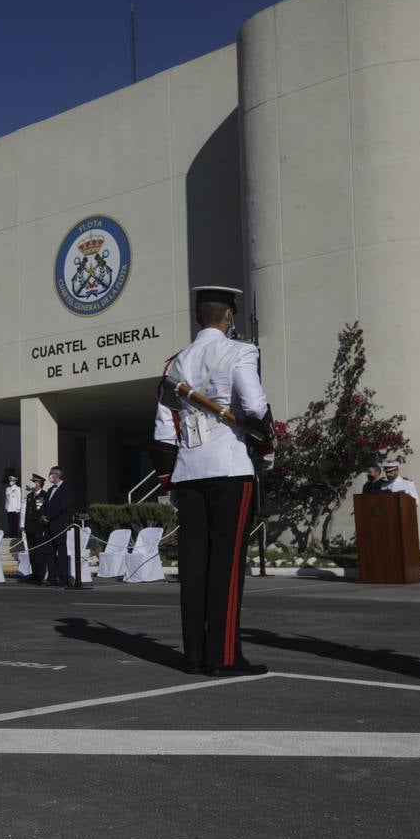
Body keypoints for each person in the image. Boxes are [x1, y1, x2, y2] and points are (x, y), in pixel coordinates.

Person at [151, 285, 273, 677]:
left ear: (200, 316)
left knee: (194, 566)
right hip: (229, 468)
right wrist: (268, 446)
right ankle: (224, 657)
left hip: (189, 472)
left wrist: (170, 480)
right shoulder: (240, 351)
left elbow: (163, 431)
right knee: (227, 564)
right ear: (227, 316)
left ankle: (195, 655)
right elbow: (254, 407)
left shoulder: (174, 365)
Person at [42, 466, 72, 587]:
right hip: (48, 526)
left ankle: (63, 578)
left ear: (57, 475)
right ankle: (52, 578)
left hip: (59, 525)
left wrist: (49, 517)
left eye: (52, 474)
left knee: (61, 552)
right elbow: (44, 505)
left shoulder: (66, 489)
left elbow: (62, 507)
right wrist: (43, 516)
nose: (50, 476)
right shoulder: (50, 490)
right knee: (49, 552)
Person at [22, 474, 48, 585]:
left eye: (35, 481)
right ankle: (35, 574)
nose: (33, 483)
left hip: (39, 528)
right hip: (29, 528)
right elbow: (27, 512)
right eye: (33, 481)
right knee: (32, 552)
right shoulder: (29, 496)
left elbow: (44, 511)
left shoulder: (44, 495)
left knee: (40, 553)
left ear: (40, 483)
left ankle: (41, 575)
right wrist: (23, 526)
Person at [3, 474, 22, 539]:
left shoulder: (17, 488)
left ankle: (15, 535)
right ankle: (11, 534)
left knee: (15, 523)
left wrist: (18, 508)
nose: (10, 481)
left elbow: (19, 498)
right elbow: (6, 499)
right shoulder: (8, 489)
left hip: (15, 508)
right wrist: (6, 507)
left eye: (12, 480)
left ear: (15, 481)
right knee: (10, 522)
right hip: (9, 508)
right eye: (10, 480)